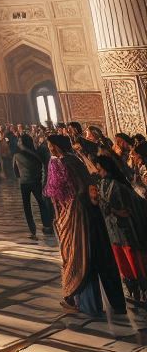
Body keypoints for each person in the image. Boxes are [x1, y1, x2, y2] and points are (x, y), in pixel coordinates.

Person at [44, 134, 124, 318]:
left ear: (59, 146)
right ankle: (112, 304)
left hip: (80, 216)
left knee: (82, 256)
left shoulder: (64, 163)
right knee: (98, 257)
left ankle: (88, 304)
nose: (50, 149)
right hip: (86, 214)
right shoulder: (71, 161)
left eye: (52, 145)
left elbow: (75, 190)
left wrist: (70, 207)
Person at [95, 153, 147, 308]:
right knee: (122, 262)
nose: (98, 171)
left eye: (99, 169)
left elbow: (129, 208)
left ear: (105, 168)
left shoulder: (119, 186)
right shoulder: (101, 184)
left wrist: (116, 211)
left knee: (134, 261)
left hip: (126, 231)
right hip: (112, 231)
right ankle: (133, 291)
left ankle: (143, 291)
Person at [13, 133, 53, 238]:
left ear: (22, 143)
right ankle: (47, 225)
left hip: (24, 183)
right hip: (36, 182)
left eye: (19, 141)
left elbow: (15, 171)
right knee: (42, 203)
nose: (18, 143)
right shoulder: (36, 153)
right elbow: (41, 167)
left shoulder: (16, 155)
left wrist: (21, 176)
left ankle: (32, 230)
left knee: (27, 206)